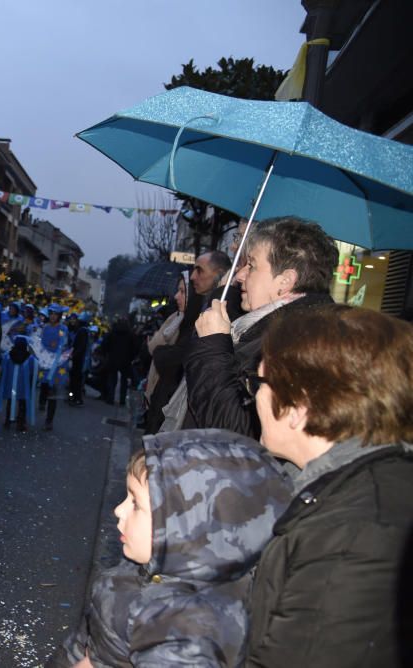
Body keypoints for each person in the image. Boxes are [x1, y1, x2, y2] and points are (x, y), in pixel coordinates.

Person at [246, 305, 413, 667]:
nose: (253, 397)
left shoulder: (356, 531)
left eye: (259, 383)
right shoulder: (333, 490)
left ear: (298, 406)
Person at [50, 429, 291, 668]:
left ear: (185, 526)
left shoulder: (185, 630)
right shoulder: (148, 570)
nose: (118, 510)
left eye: (135, 503)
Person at [181, 217, 338, 437]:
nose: (240, 275)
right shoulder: (264, 329)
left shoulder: (295, 345)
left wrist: (213, 345)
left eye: (252, 265)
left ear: (285, 281)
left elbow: (238, 432)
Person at [142, 272, 188, 433]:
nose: (176, 296)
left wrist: (160, 349)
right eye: (177, 291)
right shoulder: (175, 319)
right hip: (158, 397)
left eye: (182, 291)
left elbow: (157, 350)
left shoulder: (183, 323)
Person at [35, 304, 71, 430]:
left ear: (59, 316)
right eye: (51, 313)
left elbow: (64, 345)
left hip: (56, 364)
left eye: (55, 314)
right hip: (45, 362)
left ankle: (49, 421)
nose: (53, 316)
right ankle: (41, 402)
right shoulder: (44, 328)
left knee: (53, 392)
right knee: (44, 385)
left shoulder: (63, 329)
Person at [1, 335, 37, 432]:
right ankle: (21, 423)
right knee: (22, 403)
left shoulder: (8, 356)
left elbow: (4, 370)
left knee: (10, 401)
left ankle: (8, 420)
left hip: (11, 385)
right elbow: (33, 372)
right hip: (23, 385)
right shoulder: (30, 358)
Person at [98, 316, 137, 406]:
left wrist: (106, 353)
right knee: (124, 381)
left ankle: (110, 398)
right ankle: (122, 400)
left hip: (112, 359)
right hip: (125, 360)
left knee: (112, 379)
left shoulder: (113, 332)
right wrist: (131, 357)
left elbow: (105, 344)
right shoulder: (131, 334)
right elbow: (135, 348)